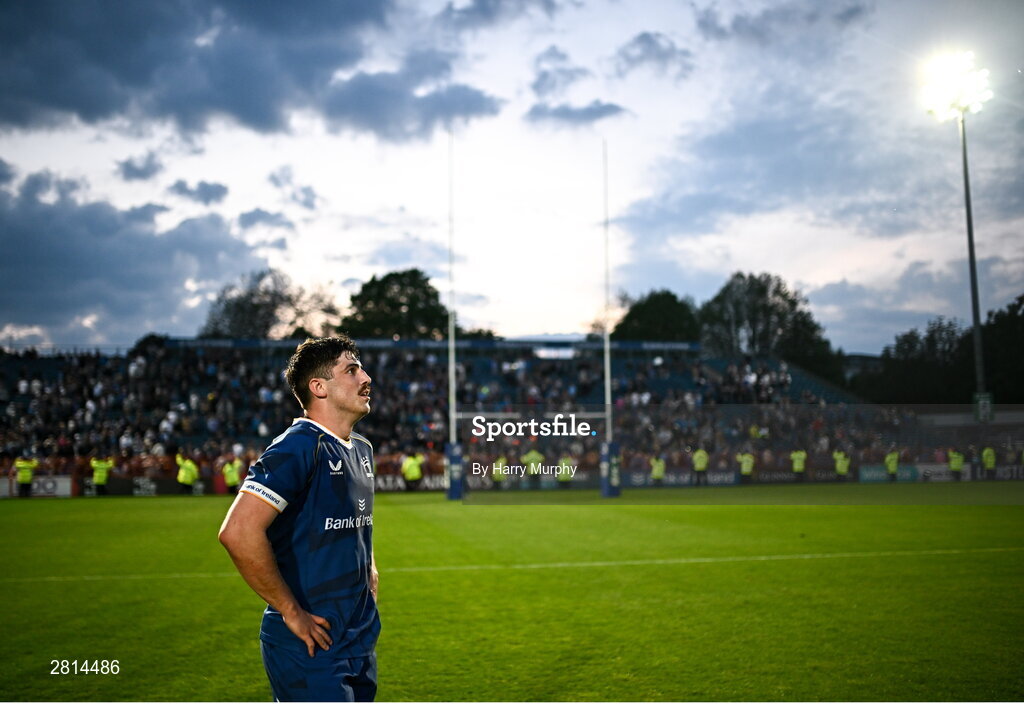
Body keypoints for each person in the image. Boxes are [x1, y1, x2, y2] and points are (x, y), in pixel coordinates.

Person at [218, 336, 380, 702]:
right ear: (319, 387)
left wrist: (369, 565)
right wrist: (291, 612)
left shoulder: (362, 449)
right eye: (352, 370)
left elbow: (354, 521)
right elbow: (238, 531)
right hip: (310, 641)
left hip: (358, 634)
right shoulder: (299, 445)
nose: (366, 378)